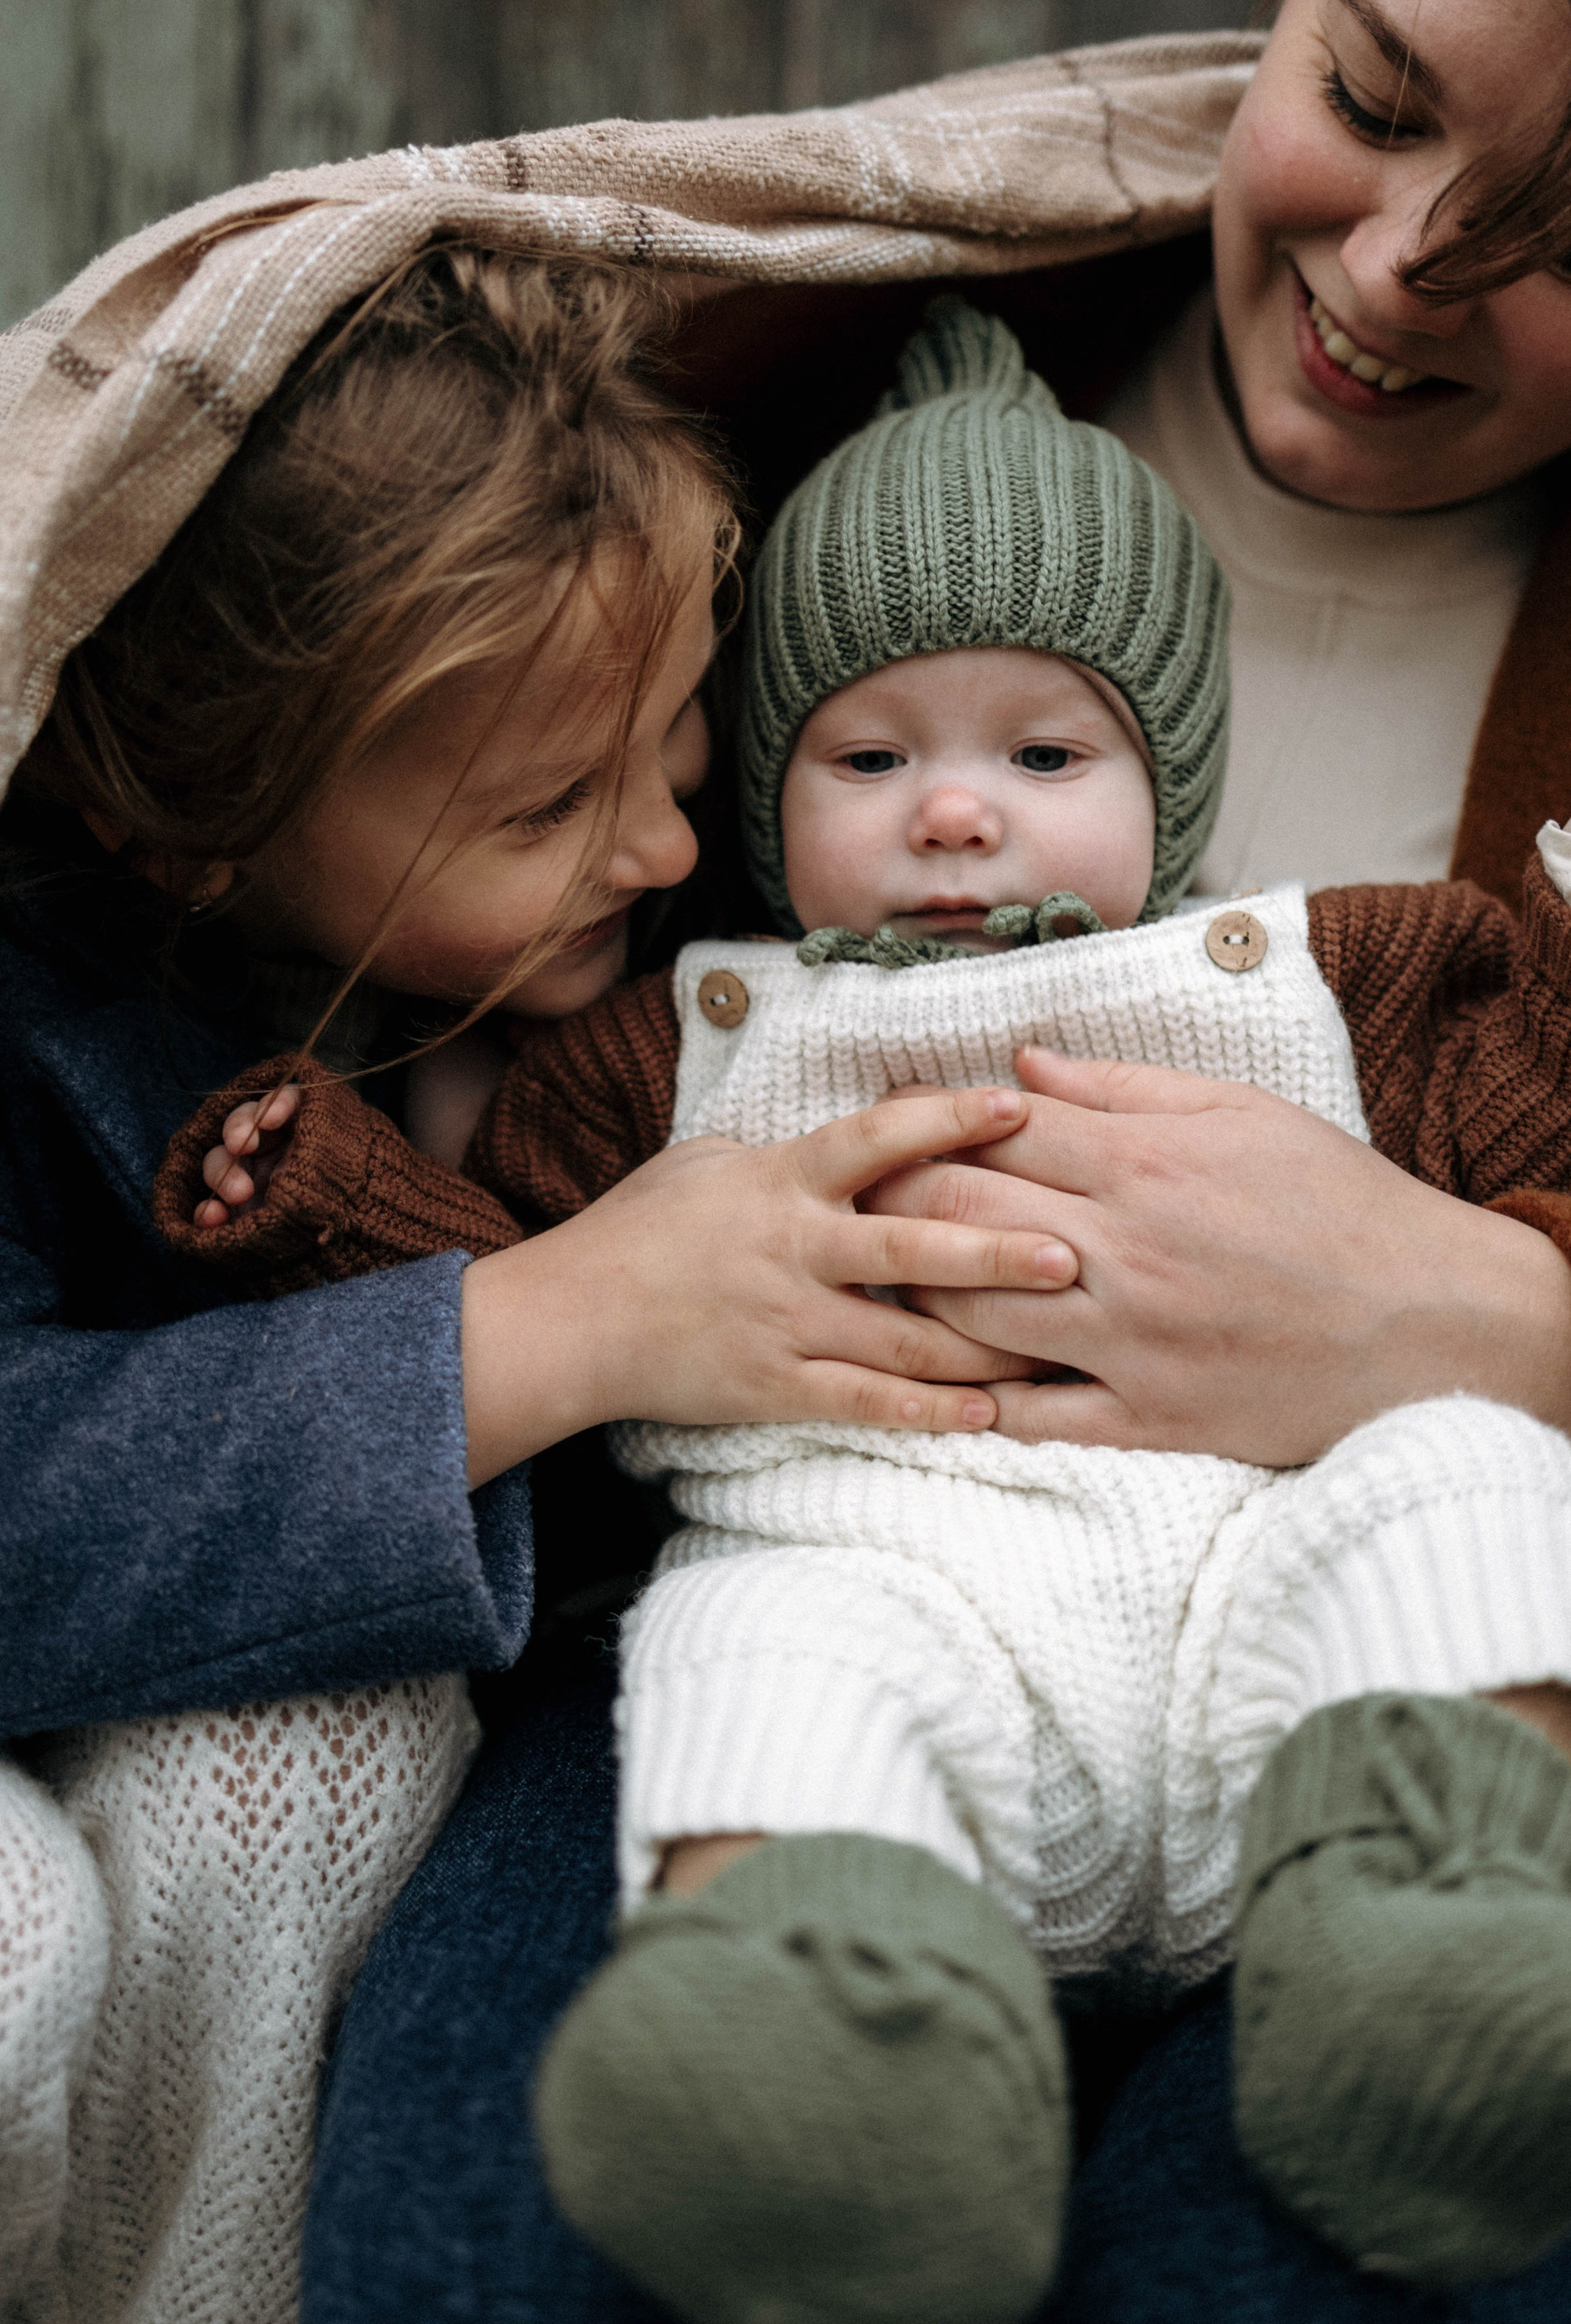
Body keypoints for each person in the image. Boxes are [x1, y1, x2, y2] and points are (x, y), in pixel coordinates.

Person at [3, 0, 1571, 2312]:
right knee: (528, 2220)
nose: (1410, 270)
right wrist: (383, 1224)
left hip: (1436, 1708)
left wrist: (1536, 1336)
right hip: (820, 1611)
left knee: (1418, 2207)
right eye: (1373, 95)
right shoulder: (755, 382)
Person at [160, 293, 1571, 2317]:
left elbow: (1566, 1169)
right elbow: (526, 1266)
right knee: (740, 1640)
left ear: (1169, 778)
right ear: (766, 799)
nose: (958, 810)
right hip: (898, 1609)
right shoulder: (685, 1044)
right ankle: (835, 2045)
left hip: (1268, 1623)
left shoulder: (1318, 974)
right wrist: (331, 1198)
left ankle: (1429, 1923)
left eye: (1045, 752)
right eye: (872, 754)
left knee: (1478, 1483)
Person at [0, 252, 1073, 2324]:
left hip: (411, 1729)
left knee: (312, 1766)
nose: (667, 845)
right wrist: (562, 1324)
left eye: (680, 733)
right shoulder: (50, 1000)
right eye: (552, 806)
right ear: (192, 834)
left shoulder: (684, 913)